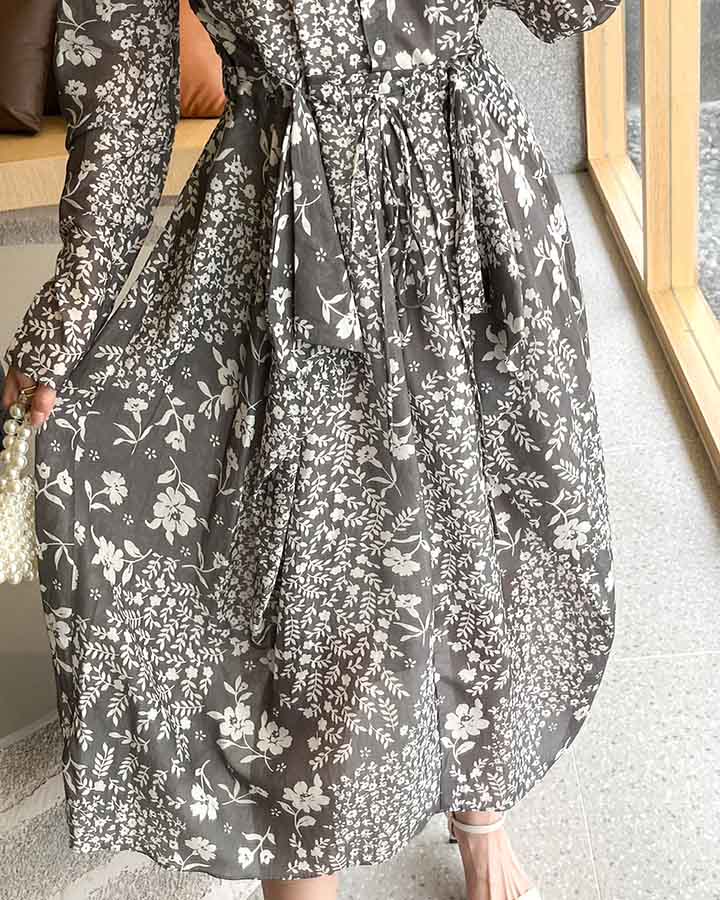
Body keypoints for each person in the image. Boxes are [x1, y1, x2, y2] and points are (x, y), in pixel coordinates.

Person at [2, 1, 619, 898]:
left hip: (467, 206)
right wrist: (69, 312)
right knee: (309, 580)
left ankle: (478, 800)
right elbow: (125, 92)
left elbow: (563, 10)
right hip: (285, 237)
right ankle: (301, 852)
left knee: (482, 523)